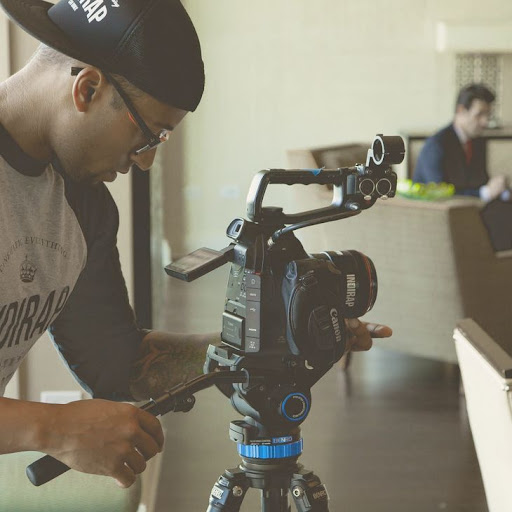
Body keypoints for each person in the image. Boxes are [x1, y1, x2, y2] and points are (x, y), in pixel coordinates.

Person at [0, 0, 392, 490]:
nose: (144, 162)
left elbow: (117, 363)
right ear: (88, 89)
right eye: (150, 135)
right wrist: (51, 427)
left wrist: (271, 341)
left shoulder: (83, 204)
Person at [413, 83, 512, 250]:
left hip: (470, 214)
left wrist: (500, 190)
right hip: (440, 220)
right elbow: (440, 196)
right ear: (460, 111)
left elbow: (481, 181)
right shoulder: (436, 145)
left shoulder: (477, 142)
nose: (485, 122)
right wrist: (486, 192)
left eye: (488, 115)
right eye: (479, 115)